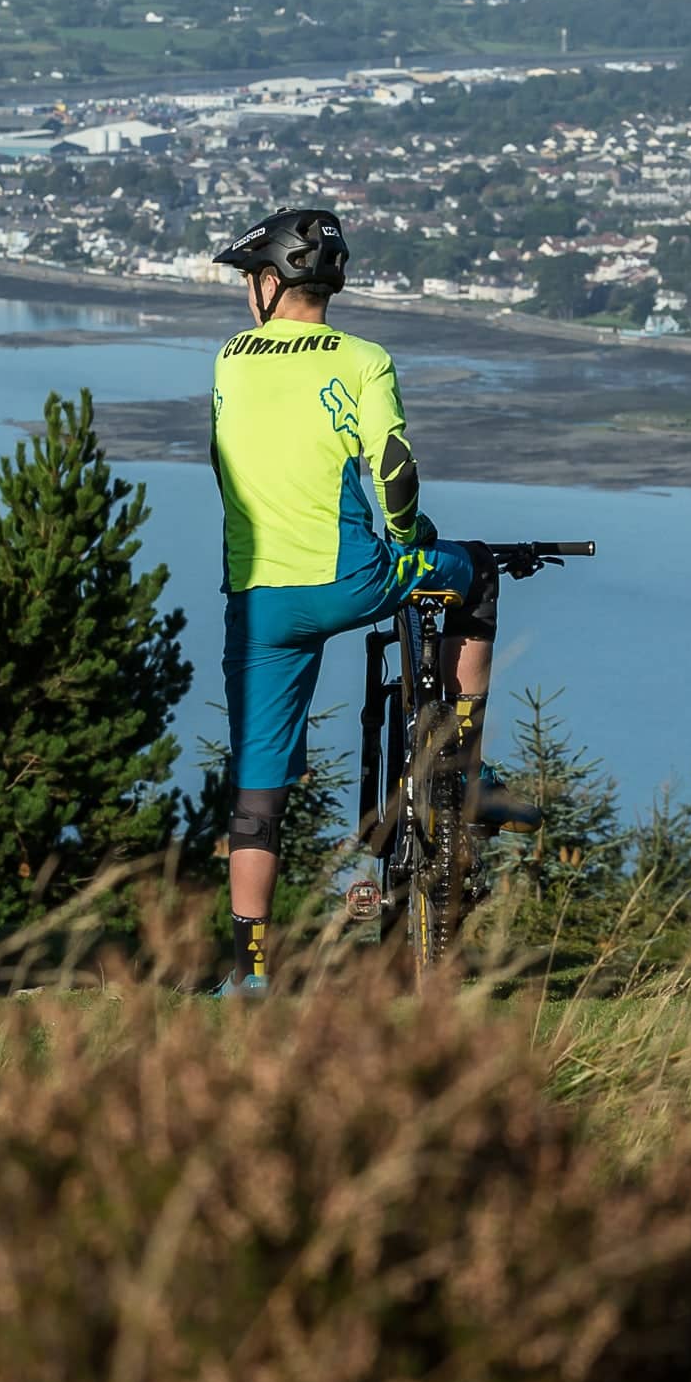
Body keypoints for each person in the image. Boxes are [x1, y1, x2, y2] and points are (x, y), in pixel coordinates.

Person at [206, 206, 495, 991]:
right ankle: (463, 756)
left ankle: (251, 975)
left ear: (271, 283)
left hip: (260, 597)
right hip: (354, 580)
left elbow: (226, 468)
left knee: (256, 792)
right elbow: (395, 471)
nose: (245, 294)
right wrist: (409, 537)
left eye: (248, 280)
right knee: (474, 571)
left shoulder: (232, 360)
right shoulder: (365, 358)